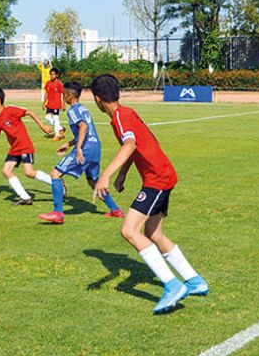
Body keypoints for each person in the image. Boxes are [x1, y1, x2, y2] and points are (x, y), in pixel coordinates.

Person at [90, 74, 208, 314]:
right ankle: (194, 280)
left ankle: (172, 285)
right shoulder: (127, 113)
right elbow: (138, 144)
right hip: (165, 174)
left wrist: (107, 175)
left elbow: (130, 145)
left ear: (97, 99)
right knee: (153, 232)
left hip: (157, 179)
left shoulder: (120, 118)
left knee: (129, 230)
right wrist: (123, 173)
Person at [38, 81, 124, 224]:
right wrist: (68, 144)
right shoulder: (83, 108)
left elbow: (83, 127)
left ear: (70, 96)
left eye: (64, 94)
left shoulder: (72, 111)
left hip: (85, 148)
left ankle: (58, 212)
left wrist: (78, 149)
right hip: (95, 147)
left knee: (55, 174)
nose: (63, 97)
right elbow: (84, 130)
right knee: (93, 181)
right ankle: (115, 209)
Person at [0, 87, 54, 205]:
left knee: (29, 173)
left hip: (24, 145)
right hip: (15, 148)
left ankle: (56, 182)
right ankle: (26, 198)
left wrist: (43, 127)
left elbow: (29, 112)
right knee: (6, 171)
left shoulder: (11, 110)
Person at [43, 67, 66, 140]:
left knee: (56, 119)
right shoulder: (48, 83)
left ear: (56, 75)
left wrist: (63, 104)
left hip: (56, 104)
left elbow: (63, 94)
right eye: (51, 74)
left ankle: (57, 135)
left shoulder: (59, 84)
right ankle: (60, 128)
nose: (52, 76)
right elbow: (46, 93)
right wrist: (44, 103)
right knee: (47, 117)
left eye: (53, 74)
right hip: (49, 104)